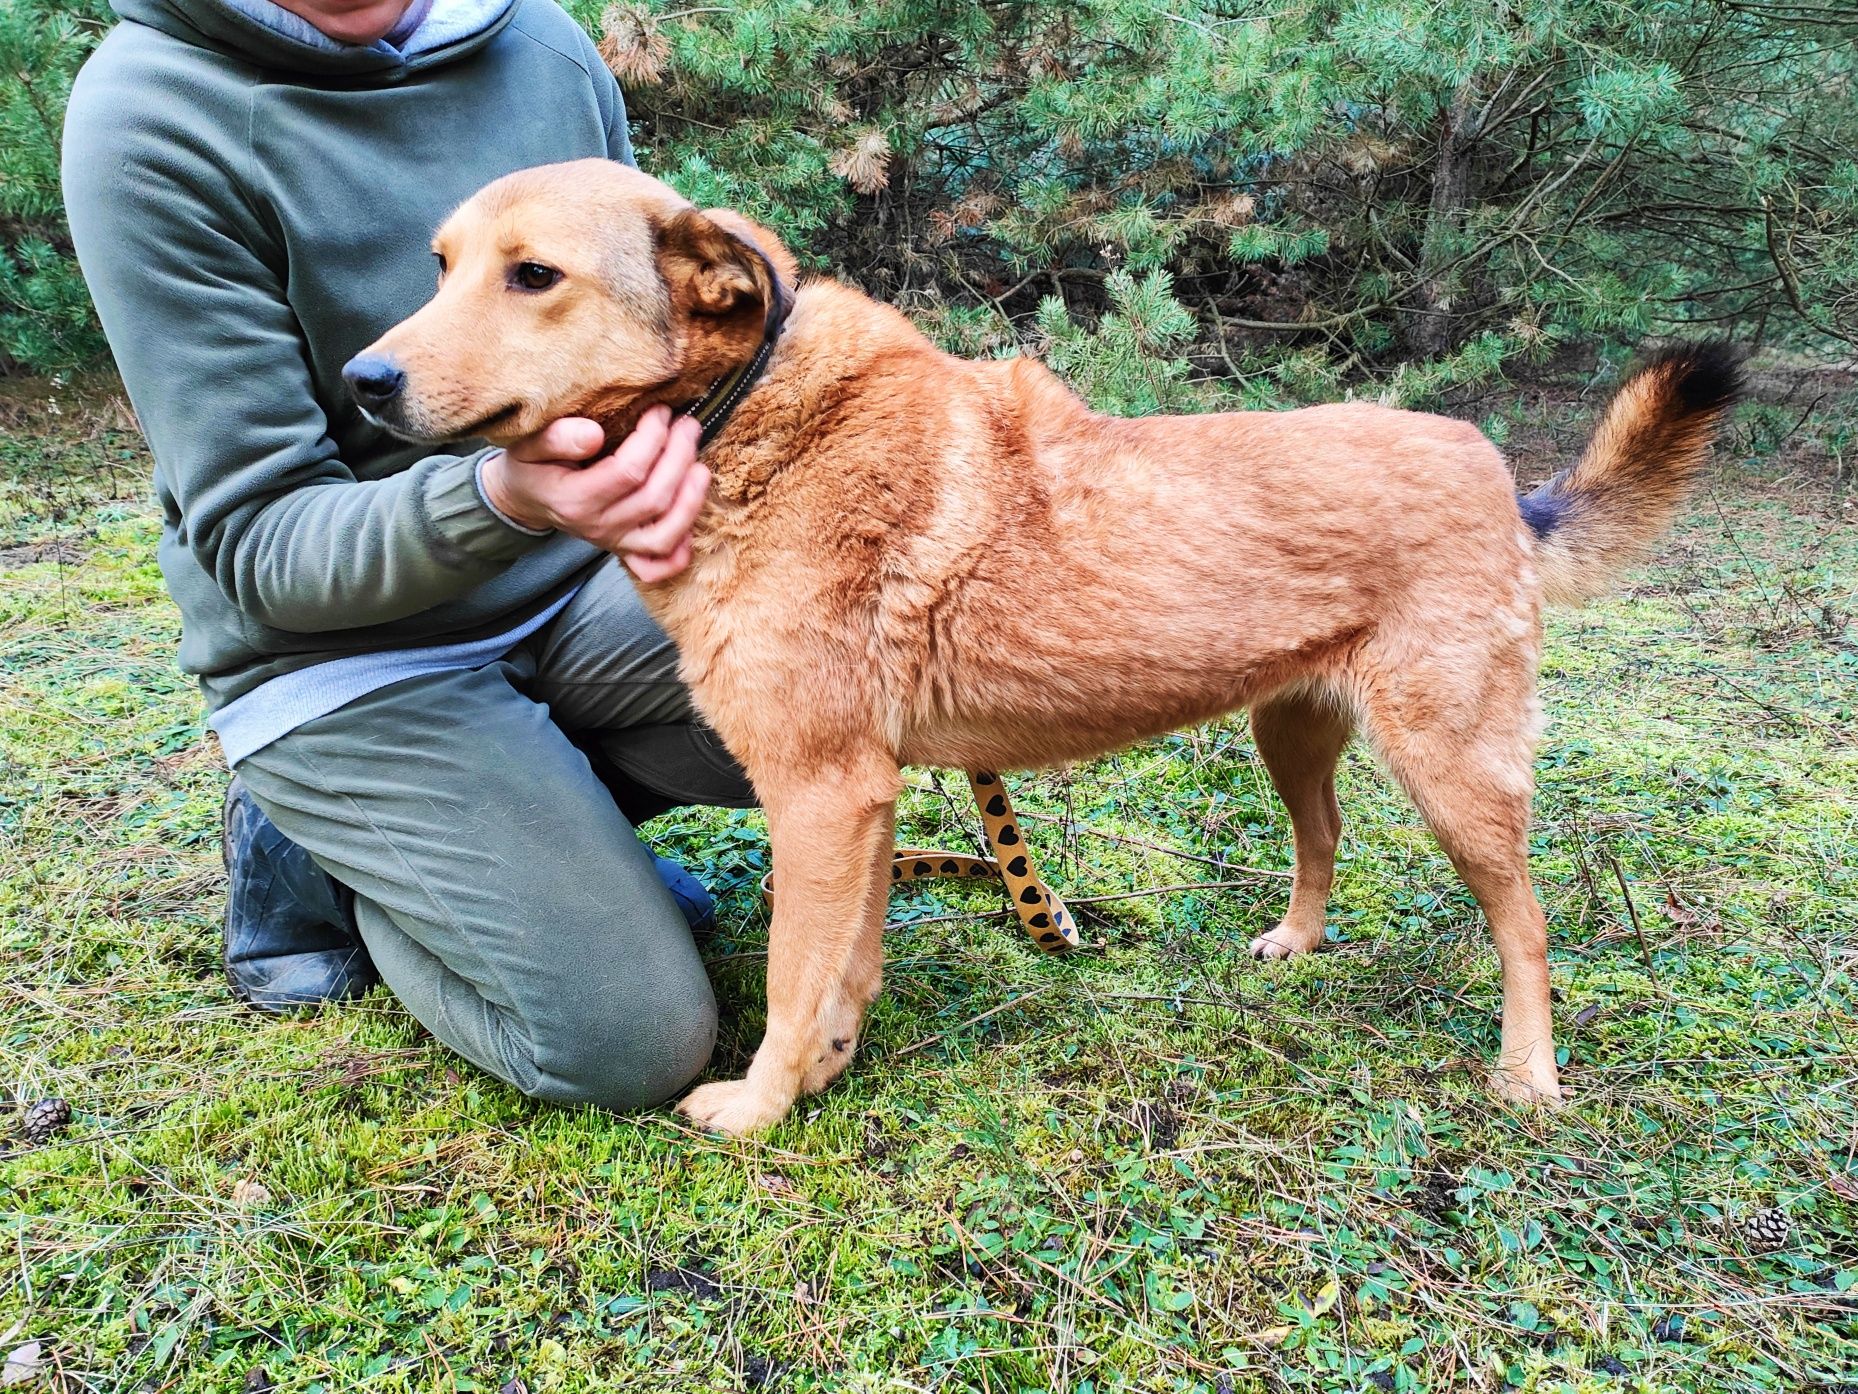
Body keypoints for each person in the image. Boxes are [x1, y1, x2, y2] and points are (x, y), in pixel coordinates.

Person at [61, 0, 756, 1111]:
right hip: (338, 654)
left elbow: (651, 337)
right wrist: (507, 495)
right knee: (627, 1045)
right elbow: (256, 542)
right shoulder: (148, 114)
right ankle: (343, 860)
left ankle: (529, 829)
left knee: (843, 668)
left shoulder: (542, 48)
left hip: (575, 586)